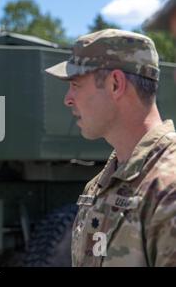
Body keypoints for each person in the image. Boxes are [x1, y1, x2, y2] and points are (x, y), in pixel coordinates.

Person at [45, 28, 176, 266]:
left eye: (76, 84)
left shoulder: (168, 188)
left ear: (116, 84)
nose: (67, 99)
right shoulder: (99, 186)